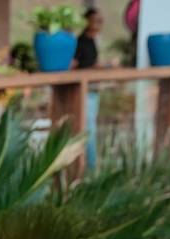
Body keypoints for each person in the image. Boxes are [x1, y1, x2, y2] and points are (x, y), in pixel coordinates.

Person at [74, 9, 103, 169]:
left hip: (93, 88)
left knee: (91, 126)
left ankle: (90, 165)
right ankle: (89, 166)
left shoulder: (93, 40)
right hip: (85, 90)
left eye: (100, 21)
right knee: (87, 127)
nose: (99, 25)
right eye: (96, 21)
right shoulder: (80, 42)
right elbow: (75, 64)